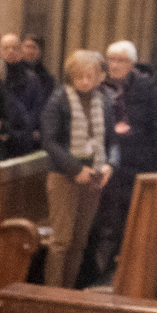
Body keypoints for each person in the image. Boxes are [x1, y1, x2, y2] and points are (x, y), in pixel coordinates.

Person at [84, 40, 157, 284]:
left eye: (121, 61)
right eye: (111, 59)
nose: (115, 65)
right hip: (105, 164)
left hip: (138, 165)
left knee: (129, 221)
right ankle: (98, 273)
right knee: (104, 221)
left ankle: (121, 273)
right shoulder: (99, 86)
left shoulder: (148, 89)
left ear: (132, 64)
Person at [40, 49, 115, 289]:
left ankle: (68, 292)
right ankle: (52, 295)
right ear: (70, 76)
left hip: (94, 176)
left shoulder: (104, 102)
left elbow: (112, 141)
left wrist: (110, 165)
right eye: (79, 76)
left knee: (80, 241)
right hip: (64, 176)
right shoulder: (58, 101)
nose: (84, 81)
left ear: (98, 77)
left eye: (89, 76)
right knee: (61, 241)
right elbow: (49, 142)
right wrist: (75, 169)